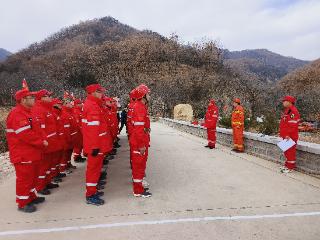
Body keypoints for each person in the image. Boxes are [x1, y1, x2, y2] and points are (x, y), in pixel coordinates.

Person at [6, 89, 48, 212]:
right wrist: (41, 142)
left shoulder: (28, 112)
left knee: (33, 177)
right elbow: (25, 134)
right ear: (23, 100)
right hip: (23, 154)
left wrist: (43, 139)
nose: (34, 100)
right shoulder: (17, 114)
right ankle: (23, 203)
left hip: (32, 153)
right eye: (31, 98)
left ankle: (31, 197)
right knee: (25, 179)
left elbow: (37, 129)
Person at [82, 84, 112, 206]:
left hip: (97, 144)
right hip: (96, 145)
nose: (102, 94)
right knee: (93, 170)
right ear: (93, 92)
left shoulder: (94, 105)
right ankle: (90, 195)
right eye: (99, 92)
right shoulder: (92, 106)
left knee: (95, 169)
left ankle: (93, 190)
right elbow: (92, 129)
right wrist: (94, 146)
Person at [32, 90, 60, 195]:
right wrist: (43, 142)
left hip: (51, 143)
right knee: (43, 167)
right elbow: (40, 129)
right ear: (41, 98)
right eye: (47, 96)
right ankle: (40, 186)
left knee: (48, 165)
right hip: (45, 144)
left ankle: (47, 182)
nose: (50, 97)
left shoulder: (47, 109)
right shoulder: (38, 109)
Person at [129, 84, 152, 198]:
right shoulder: (139, 107)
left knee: (140, 165)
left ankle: (139, 187)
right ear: (143, 95)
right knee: (138, 166)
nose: (149, 96)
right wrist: (141, 145)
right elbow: (138, 130)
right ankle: (138, 190)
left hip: (141, 140)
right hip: (139, 142)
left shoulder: (141, 106)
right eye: (148, 94)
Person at [279, 96, 300, 173]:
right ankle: (287, 165)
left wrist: (288, 134)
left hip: (290, 136)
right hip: (286, 135)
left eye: (284, 101)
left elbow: (293, 125)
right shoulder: (288, 110)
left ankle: (290, 167)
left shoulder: (293, 111)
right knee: (286, 151)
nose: (283, 102)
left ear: (289, 102)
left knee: (290, 152)